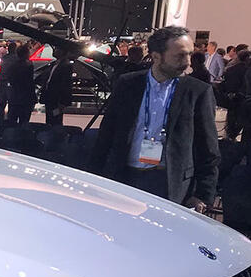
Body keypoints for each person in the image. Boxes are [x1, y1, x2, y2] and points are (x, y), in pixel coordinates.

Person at [89, 25, 219, 211]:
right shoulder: (128, 84)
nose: (188, 62)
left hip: (169, 184)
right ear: (157, 56)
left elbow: (208, 148)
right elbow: (106, 135)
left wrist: (203, 195)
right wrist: (93, 178)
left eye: (190, 54)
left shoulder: (198, 91)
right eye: (180, 56)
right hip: (125, 177)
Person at [4, 43, 36, 125]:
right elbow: (30, 83)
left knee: (12, 120)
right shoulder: (29, 66)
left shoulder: (13, 66)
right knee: (24, 121)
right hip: (25, 98)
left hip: (14, 97)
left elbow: (10, 79)